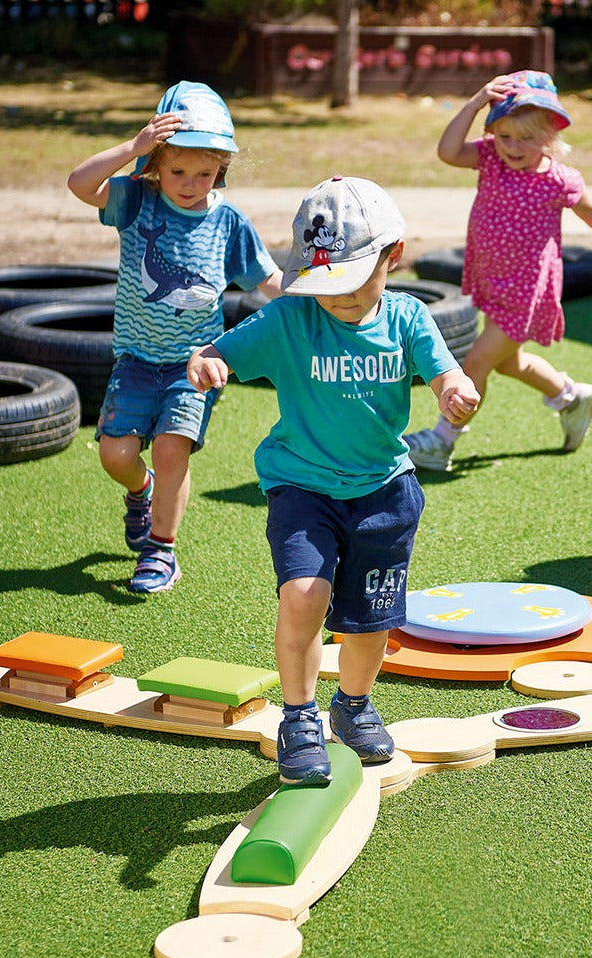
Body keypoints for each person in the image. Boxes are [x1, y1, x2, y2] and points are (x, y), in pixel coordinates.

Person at [187, 176, 480, 785]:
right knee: (302, 595)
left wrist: (455, 391)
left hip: (384, 491)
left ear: (392, 256)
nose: (339, 299)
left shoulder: (407, 317)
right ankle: (299, 717)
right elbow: (217, 352)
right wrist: (208, 362)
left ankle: (353, 706)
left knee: (370, 619)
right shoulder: (292, 319)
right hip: (303, 487)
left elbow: (444, 372)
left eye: (352, 282)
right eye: (327, 285)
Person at [67, 81, 283, 594]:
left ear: (221, 170)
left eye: (205, 172)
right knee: (116, 455)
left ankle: (161, 550)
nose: (190, 183)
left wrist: (316, 300)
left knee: (170, 450)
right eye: (178, 170)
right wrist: (132, 148)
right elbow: (79, 183)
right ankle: (140, 492)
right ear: (157, 164)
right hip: (136, 359)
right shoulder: (137, 201)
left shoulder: (228, 222)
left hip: (196, 363)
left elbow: (267, 280)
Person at [405, 70, 592, 472]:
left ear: (550, 135)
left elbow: (589, 208)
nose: (513, 146)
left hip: (525, 291)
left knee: (475, 363)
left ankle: (443, 440)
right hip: (492, 280)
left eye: (526, 138)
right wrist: (476, 102)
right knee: (509, 362)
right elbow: (447, 151)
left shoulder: (557, 179)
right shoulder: (490, 158)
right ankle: (572, 397)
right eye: (505, 135)